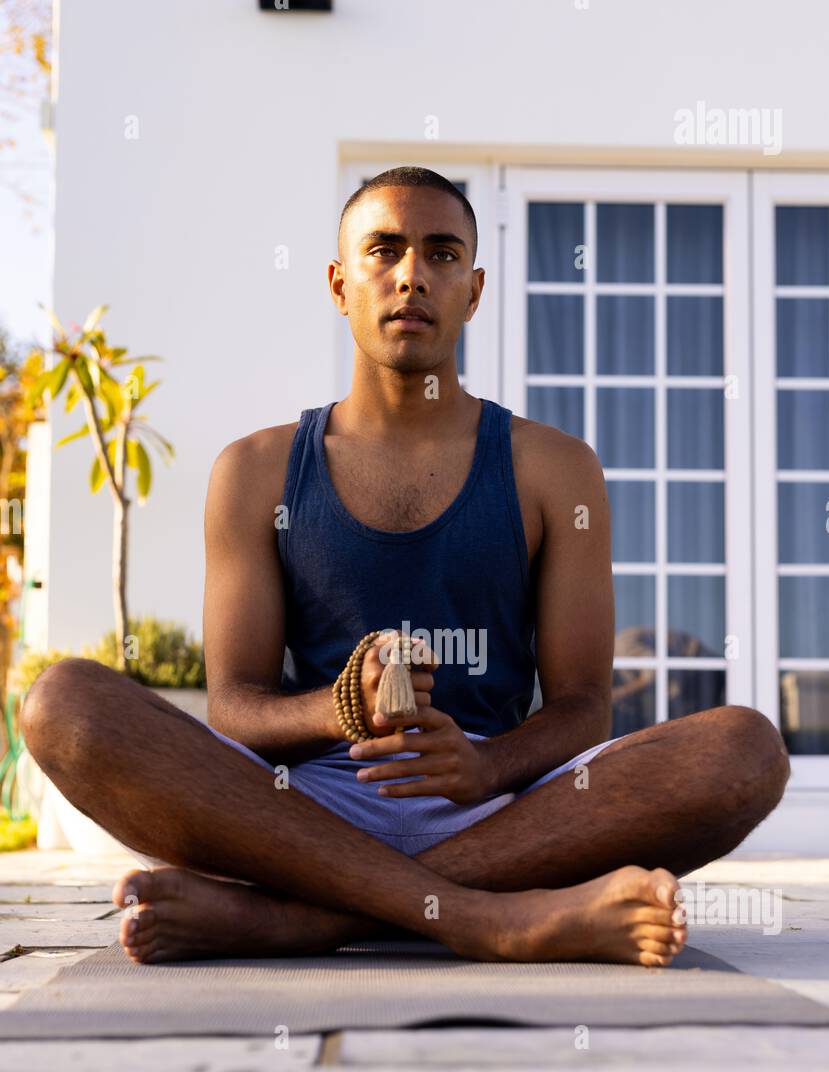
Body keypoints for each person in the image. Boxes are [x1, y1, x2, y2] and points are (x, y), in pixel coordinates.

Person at [21, 167, 790, 967]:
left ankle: (295, 922)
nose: (411, 274)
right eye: (382, 250)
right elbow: (234, 705)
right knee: (62, 703)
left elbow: (583, 707)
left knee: (744, 748)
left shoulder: (554, 468)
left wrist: (486, 763)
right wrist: (336, 709)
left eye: (442, 253)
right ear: (338, 283)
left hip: (502, 812)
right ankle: (491, 920)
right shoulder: (253, 470)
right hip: (294, 813)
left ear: (474, 288)